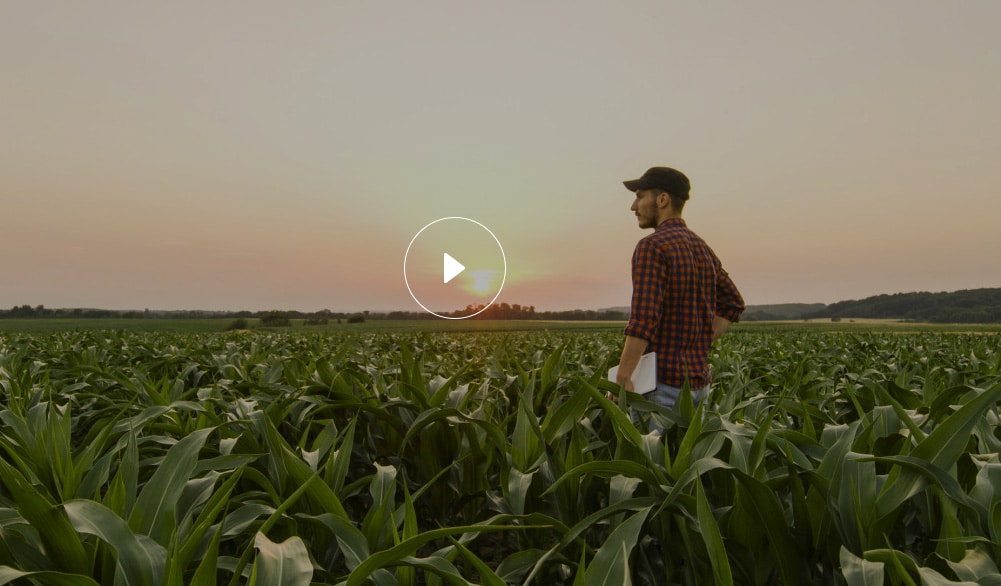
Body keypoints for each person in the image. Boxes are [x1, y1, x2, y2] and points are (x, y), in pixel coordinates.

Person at [614, 166, 745, 411]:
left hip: (660, 387)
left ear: (662, 199)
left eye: (640, 196)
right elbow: (733, 302)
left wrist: (623, 375)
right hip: (698, 388)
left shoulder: (652, 247)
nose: (634, 206)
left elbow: (644, 319)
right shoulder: (701, 247)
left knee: (647, 450)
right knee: (690, 451)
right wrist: (698, 341)